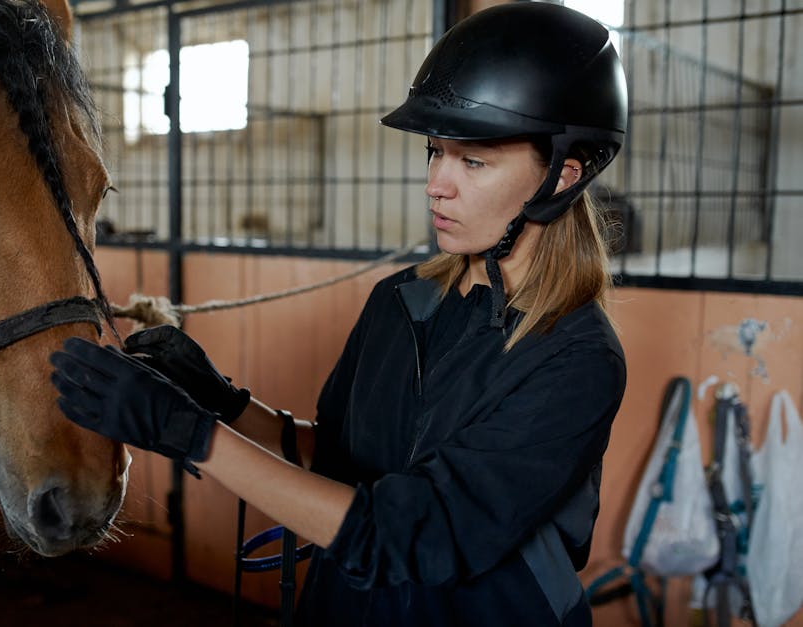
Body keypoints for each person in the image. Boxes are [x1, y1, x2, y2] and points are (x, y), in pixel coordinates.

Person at [50, 3, 628, 625]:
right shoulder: (402, 301)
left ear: (564, 176)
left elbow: (416, 533)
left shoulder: (576, 357)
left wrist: (194, 438)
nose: (437, 183)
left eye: (474, 161)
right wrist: (220, 403)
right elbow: (337, 463)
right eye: (436, 152)